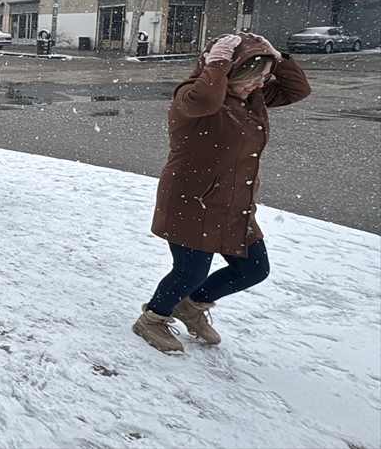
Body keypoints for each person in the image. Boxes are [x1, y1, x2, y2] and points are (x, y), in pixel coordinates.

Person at [133, 32, 310, 353]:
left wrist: (278, 59)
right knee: (191, 270)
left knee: (254, 269)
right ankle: (153, 318)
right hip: (193, 200)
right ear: (229, 72)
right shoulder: (190, 97)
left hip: (234, 204)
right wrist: (216, 62)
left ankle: (191, 306)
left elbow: (298, 90)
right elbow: (206, 99)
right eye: (254, 78)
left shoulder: (251, 98)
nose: (260, 86)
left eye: (264, 79)